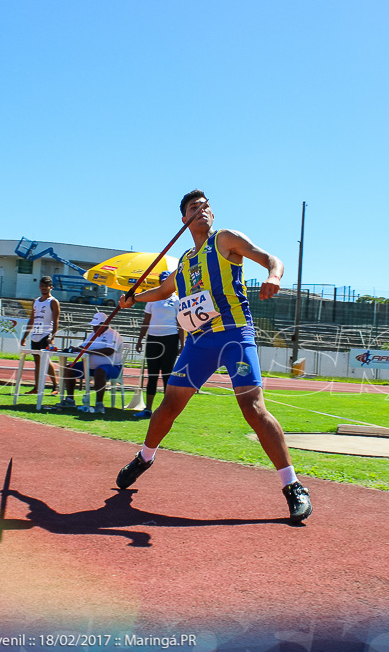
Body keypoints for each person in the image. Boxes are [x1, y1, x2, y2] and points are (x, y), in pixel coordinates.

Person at [116, 189, 312, 523]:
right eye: (195, 207)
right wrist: (133, 299)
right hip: (199, 342)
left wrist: (274, 276)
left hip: (235, 334)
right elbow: (164, 291)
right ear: (184, 219)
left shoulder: (225, 240)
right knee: (168, 406)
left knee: (253, 408)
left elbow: (270, 259)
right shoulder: (185, 261)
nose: (202, 210)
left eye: (206, 206)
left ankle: (293, 486)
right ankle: (144, 458)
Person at [133, 270, 184, 419]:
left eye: (166, 281)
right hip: (153, 339)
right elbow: (146, 321)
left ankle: (167, 410)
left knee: (168, 375)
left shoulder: (176, 301)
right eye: (162, 281)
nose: (163, 284)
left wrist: (182, 343)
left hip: (170, 339)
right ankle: (148, 409)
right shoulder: (152, 300)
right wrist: (140, 339)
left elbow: (180, 323)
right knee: (152, 374)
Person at [60, 312, 125, 414]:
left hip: (112, 367)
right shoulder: (92, 334)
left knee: (100, 372)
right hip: (89, 366)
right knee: (69, 370)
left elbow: (109, 351)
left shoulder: (113, 335)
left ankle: (99, 404)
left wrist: (88, 351)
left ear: (104, 324)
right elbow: (83, 346)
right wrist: (75, 349)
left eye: (97, 326)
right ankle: (70, 400)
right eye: (94, 326)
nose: (94, 328)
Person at [20, 276, 59, 394]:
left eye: (46, 286)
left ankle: (55, 386)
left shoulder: (53, 302)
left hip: (46, 333)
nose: (44, 288)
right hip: (35, 334)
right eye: (42, 286)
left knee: (45, 360)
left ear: (50, 287)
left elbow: (56, 320)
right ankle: (37, 387)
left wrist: (52, 337)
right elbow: (31, 319)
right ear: (39, 287)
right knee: (37, 361)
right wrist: (25, 336)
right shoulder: (36, 301)